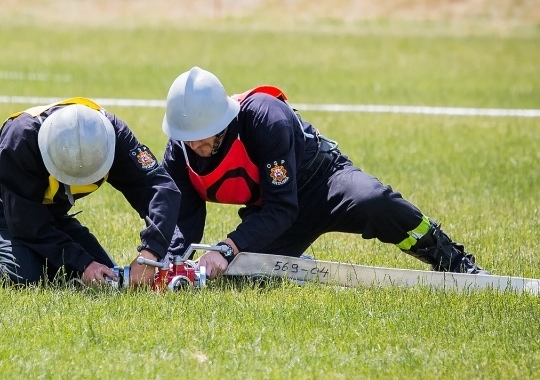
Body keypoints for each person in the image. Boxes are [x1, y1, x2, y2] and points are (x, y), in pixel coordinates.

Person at [160, 67, 487, 281]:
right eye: (188, 136)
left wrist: (228, 247)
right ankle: (295, 259)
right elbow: (182, 217)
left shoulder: (265, 117)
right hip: (274, 212)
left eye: (204, 133)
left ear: (224, 119)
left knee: (376, 202)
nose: (196, 144)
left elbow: (282, 206)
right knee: (245, 277)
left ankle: (450, 257)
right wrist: (169, 264)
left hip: (324, 181)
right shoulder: (180, 150)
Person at [0, 98, 180, 288]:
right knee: (25, 277)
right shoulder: (20, 139)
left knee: (106, 278)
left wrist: (151, 253)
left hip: (49, 217)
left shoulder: (111, 135)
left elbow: (161, 189)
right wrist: (82, 263)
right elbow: (27, 224)